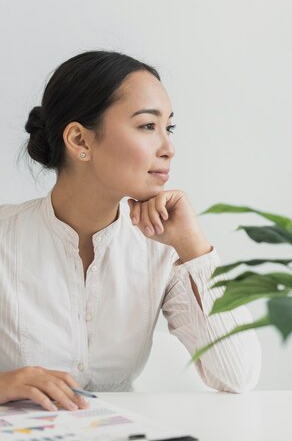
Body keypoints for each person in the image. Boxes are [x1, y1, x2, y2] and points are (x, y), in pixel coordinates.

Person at [0, 50, 261, 413]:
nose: (168, 148)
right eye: (147, 126)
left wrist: (192, 246)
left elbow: (238, 375)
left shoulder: (161, 248)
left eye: (168, 128)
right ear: (79, 141)